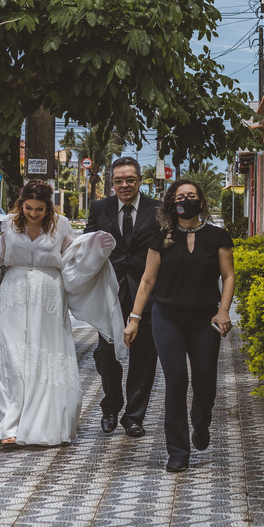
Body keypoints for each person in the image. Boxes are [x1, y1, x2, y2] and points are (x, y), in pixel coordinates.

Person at [0, 181, 123, 446]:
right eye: (28, 208)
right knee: (11, 356)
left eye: (39, 209)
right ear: (21, 203)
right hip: (13, 292)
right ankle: (11, 423)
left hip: (48, 293)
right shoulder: (9, 224)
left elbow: (74, 257)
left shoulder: (61, 224)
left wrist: (95, 249)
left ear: (48, 207)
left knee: (43, 355)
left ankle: (44, 423)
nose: (33, 214)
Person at [125, 178, 235, 472]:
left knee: (204, 382)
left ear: (201, 200)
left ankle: (201, 421)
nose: (186, 200)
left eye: (192, 195)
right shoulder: (161, 237)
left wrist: (223, 311)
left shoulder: (218, 236)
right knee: (175, 381)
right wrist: (134, 319)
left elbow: (229, 276)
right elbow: (147, 280)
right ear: (172, 203)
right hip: (167, 317)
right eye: (180, 196)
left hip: (204, 318)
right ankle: (178, 451)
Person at [85, 156, 162, 437]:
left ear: (140, 180)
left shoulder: (157, 210)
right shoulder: (99, 208)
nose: (124, 185)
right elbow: (87, 247)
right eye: (118, 180)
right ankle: (111, 405)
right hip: (109, 293)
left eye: (130, 179)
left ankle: (134, 417)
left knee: (144, 357)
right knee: (105, 355)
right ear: (112, 183)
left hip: (147, 292)